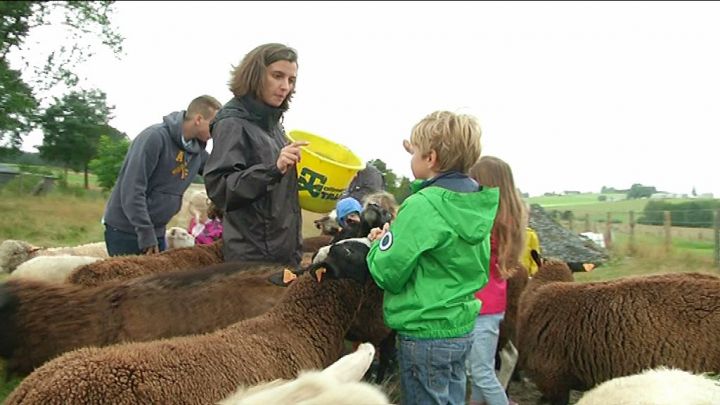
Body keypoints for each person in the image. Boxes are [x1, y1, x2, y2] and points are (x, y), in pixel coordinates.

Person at [366, 111, 500, 405]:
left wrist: (379, 245)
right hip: (461, 328)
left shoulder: (422, 206)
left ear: (431, 159)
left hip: (425, 333)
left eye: (413, 152)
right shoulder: (476, 205)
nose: (410, 157)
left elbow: (389, 272)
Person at [203, 43, 306, 266]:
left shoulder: (274, 126)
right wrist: (274, 169)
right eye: (277, 76)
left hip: (286, 254)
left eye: (291, 80)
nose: (285, 86)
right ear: (255, 75)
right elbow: (221, 189)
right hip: (253, 261)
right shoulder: (232, 123)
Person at [102, 95, 221, 256]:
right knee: (130, 280)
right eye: (214, 125)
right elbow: (132, 190)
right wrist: (145, 232)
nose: (216, 131)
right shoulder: (154, 138)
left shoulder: (197, 152)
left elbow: (219, 172)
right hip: (127, 230)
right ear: (199, 119)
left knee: (155, 280)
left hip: (156, 230)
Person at [466, 156, 527, 405]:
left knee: (479, 373)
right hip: (492, 305)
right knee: (482, 370)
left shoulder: (486, 224)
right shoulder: (506, 221)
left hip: (481, 306)